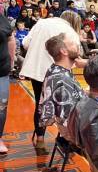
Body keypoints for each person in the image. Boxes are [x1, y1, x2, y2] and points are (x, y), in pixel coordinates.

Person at [20, 11, 82, 149]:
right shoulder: (69, 30)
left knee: (40, 103)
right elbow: (77, 52)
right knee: (65, 106)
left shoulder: (42, 22)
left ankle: (40, 138)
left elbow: (25, 43)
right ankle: (67, 140)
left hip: (37, 70)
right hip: (59, 72)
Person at [38, 33, 85, 142]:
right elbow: (71, 119)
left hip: (77, 126)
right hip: (81, 134)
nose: (77, 45)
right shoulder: (62, 80)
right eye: (72, 43)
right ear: (64, 51)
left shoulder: (56, 70)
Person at [0, 14, 16, 154]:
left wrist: (12, 60)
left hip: (2, 71)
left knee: (1, 107)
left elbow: (11, 39)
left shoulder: (2, 19)